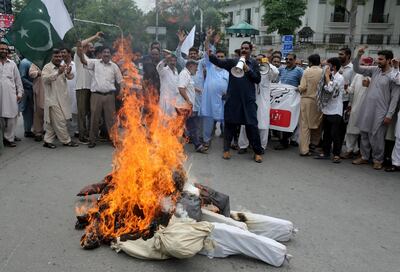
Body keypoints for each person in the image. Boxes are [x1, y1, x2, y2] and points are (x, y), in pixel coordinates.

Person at [208, 37, 263, 163]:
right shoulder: (233, 62)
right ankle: (226, 150)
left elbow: (257, 79)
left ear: (250, 50)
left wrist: (248, 70)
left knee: (252, 126)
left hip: (248, 100)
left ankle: (257, 152)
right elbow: (217, 61)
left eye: (246, 48)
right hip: (233, 99)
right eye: (242, 48)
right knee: (230, 125)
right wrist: (208, 43)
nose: (244, 50)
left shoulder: (254, 63)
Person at [352, 49, 400, 170]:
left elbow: (395, 98)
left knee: (377, 136)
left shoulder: (394, 76)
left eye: (381, 59)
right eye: (378, 58)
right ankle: (364, 156)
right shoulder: (375, 70)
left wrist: (389, 115)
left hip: (381, 111)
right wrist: (358, 55)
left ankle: (378, 159)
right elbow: (357, 69)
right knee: (364, 133)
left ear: (389, 60)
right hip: (367, 108)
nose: (378, 61)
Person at [77, 43, 123, 148]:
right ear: (101, 54)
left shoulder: (114, 66)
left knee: (111, 120)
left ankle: (114, 140)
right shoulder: (95, 63)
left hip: (109, 96)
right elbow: (83, 60)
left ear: (111, 55)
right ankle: (92, 140)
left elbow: (120, 80)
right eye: (104, 52)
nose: (106, 54)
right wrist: (80, 50)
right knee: (94, 119)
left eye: (108, 52)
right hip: (96, 95)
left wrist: (121, 90)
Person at [238, 54, 279, 154]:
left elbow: (276, 73)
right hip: (250, 101)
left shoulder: (268, 70)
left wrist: (266, 62)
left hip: (263, 103)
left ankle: (261, 146)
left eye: (260, 60)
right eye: (257, 59)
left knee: (263, 125)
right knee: (245, 124)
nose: (258, 61)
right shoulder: (249, 69)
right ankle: (243, 145)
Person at [42, 49, 78, 148]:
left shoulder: (62, 66)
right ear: (52, 57)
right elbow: (45, 79)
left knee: (52, 122)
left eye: (60, 57)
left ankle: (47, 141)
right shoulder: (47, 67)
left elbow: (70, 77)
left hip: (63, 98)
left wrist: (68, 72)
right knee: (60, 121)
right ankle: (66, 141)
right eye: (56, 56)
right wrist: (58, 72)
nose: (58, 58)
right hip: (52, 99)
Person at [74, 32, 103, 144]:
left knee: (90, 113)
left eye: (92, 47)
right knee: (82, 113)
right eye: (90, 47)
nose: (92, 49)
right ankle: (82, 135)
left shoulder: (91, 60)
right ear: (85, 47)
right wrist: (95, 36)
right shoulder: (78, 56)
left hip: (91, 89)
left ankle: (89, 133)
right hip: (81, 87)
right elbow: (79, 45)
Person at [341, 57, 372, 159]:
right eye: (362, 64)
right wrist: (346, 88)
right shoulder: (358, 75)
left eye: (366, 65)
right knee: (351, 130)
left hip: (368, 109)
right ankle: (350, 150)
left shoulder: (373, 76)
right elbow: (351, 90)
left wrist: (369, 85)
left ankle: (361, 152)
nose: (364, 66)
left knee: (363, 132)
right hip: (355, 107)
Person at [315, 57, 345, 163]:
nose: (326, 67)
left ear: (334, 66)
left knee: (335, 133)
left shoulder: (339, 77)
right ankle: (326, 152)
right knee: (326, 133)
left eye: (328, 65)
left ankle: (337, 154)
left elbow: (330, 89)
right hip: (327, 109)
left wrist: (327, 76)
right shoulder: (329, 76)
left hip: (336, 110)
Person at [176, 60, 207, 153]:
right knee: (181, 127)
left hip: (187, 107)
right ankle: (176, 146)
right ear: (190, 66)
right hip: (183, 107)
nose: (197, 70)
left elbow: (187, 86)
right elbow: (181, 88)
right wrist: (188, 100)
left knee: (191, 126)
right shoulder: (184, 74)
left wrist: (196, 89)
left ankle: (197, 145)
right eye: (196, 67)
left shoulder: (187, 74)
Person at [275, 53, 304, 150]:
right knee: (281, 120)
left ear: (295, 60)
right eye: (286, 59)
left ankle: (287, 140)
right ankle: (283, 141)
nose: (288, 61)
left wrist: (298, 89)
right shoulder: (282, 69)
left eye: (290, 59)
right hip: (282, 99)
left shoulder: (299, 71)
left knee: (291, 120)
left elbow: (303, 83)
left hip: (293, 99)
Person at [298, 54, 323, 156]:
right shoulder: (322, 72)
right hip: (318, 101)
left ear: (311, 62)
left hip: (307, 100)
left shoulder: (306, 71)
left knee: (305, 126)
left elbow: (303, 87)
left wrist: (298, 88)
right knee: (317, 124)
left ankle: (304, 149)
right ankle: (314, 144)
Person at [0, 41, 23, 148]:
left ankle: (9, 138)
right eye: (1, 49)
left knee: (11, 118)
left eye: (5, 49)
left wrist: (20, 93)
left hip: (10, 95)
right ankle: (2, 138)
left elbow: (18, 80)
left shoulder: (12, 64)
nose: (3, 50)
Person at [61, 47, 78, 137]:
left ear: (69, 54)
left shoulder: (75, 65)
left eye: (64, 52)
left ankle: (77, 131)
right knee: (64, 112)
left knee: (75, 112)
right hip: (63, 92)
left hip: (73, 91)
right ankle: (64, 132)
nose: (62, 54)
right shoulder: (59, 65)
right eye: (61, 53)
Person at [157, 51, 179, 117]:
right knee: (163, 118)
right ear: (168, 61)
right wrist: (165, 59)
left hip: (174, 99)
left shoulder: (176, 71)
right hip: (165, 98)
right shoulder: (163, 70)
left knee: (173, 118)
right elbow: (159, 67)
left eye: (174, 61)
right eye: (171, 61)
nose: (172, 62)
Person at [18, 57, 35, 138]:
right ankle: (27, 130)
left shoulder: (34, 61)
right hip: (27, 90)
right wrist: (33, 85)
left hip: (34, 90)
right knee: (27, 111)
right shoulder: (25, 62)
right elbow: (22, 78)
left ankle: (33, 128)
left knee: (34, 110)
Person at [29, 63, 45, 142]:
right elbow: (31, 73)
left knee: (52, 111)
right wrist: (38, 73)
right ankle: (38, 132)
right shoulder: (36, 63)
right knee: (38, 111)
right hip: (39, 90)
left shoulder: (54, 61)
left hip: (52, 90)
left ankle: (52, 132)